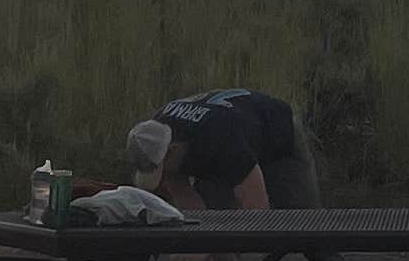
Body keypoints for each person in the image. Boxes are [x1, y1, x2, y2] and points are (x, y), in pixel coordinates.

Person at [128, 88, 321, 213]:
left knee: (305, 223)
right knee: (212, 222)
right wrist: (195, 245)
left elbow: (256, 207)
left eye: (162, 170)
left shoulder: (221, 138)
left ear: (173, 150)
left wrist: (209, 248)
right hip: (221, 147)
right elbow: (186, 199)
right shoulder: (155, 137)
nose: (164, 179)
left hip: (276, 133)